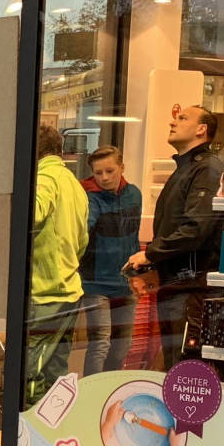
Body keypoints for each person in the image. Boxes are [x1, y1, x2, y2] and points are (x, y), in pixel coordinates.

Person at [124, 104, 223, 368]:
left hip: (192, 289)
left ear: (202, 129)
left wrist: (151, 254)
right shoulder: (186, 169)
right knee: (175, 366)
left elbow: (196, 229)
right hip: (176, 286)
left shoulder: (207, 168)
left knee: (186, 369)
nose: (173, 122)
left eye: (183, 118)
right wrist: (155, 267)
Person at [23, 121, 88, 408]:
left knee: (30, 369)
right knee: (55, 368)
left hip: (44, 289)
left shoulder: (43, 177)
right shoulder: (74, 185)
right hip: (70, 289)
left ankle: (31, 431)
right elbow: (82, 240)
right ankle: (54, 429)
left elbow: (31, 213)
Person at [76, 145, 142, 373]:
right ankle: (91, 392)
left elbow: (133, 237)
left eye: (110, 171)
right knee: (100, 342)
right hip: (95, 282)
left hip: (125, 282)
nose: (104, 177)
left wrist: (138, 275)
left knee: (122, 345)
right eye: (98, 173)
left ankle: (110, 389)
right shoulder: (88, 198)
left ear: (122, 167)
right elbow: (82, 231)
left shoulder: (134, 194)